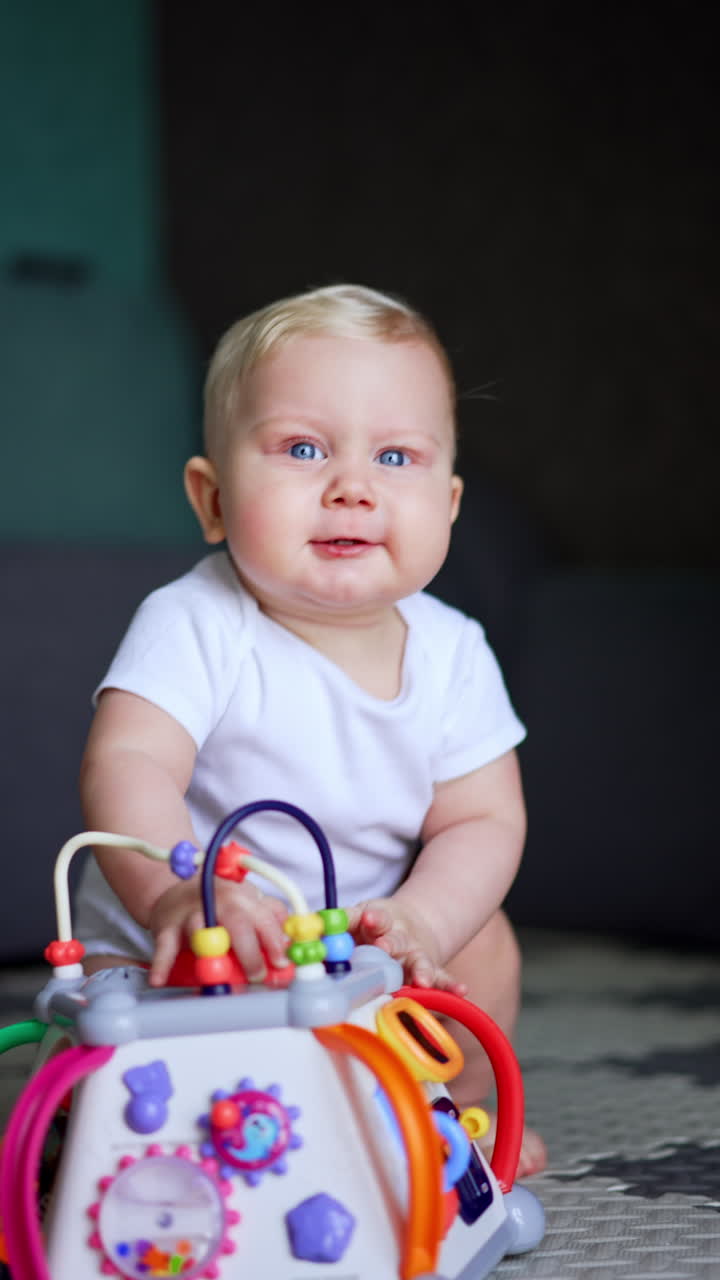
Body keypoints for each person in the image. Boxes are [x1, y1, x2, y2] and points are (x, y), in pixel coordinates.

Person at [75, 282, 546, 1175]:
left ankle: (460, 1109)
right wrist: (183, 893)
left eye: (397, 458)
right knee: (137, 1074)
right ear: (211, 500)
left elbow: (485, 819)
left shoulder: (453, 652)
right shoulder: (195, 623)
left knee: (485, 939)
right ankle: (129, 1129)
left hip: (363, 940)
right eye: (302, 448)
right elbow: (129, 761)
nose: (353, 489)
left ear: (448, 506)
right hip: (199, 938)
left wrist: (422, 920)